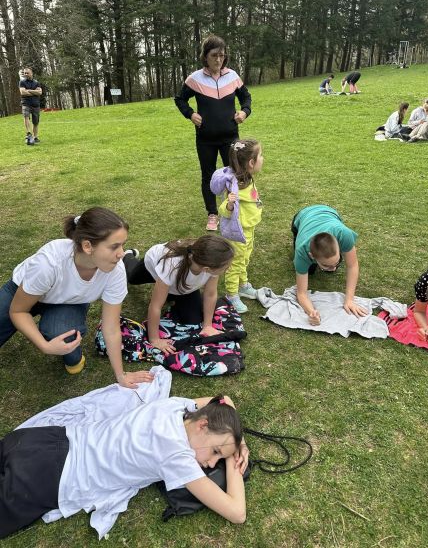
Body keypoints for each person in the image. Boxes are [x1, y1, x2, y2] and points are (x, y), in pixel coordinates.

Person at [0, 393, 248, 538]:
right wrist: (233, 459)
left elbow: (224, 400)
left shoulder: (174, 407)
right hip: (50, 477)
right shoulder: (177, 457)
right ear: (203, 425)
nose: (210, 463)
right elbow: (237, 513)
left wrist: (234, 443)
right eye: (216, 452)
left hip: (42, 439)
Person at [0, 207, 153, 388]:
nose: (121, 254)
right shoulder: (48, 264)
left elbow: (111, 328)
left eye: (122, 245)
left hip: (69, 301)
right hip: (23, 292)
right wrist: (45, 346)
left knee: (62, 335)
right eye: (114, 246)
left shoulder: (115, 270)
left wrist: (121, 375)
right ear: (87, 246)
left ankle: (73, 356)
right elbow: (18, 311)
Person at [175, 35, 252, 231]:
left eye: (222, 56)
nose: (218, 60)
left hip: (230, 137)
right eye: (214, 55)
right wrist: (190, 114)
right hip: (205, 139)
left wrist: (244, 111)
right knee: (208, 175)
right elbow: (180, 99)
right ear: (205, 56)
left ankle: (234, 207)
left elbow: (246, 97)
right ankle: (212, 214)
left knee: (235, 172)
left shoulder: (233, 76)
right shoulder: (195, 79)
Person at [123, 236, 234, 354]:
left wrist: (207, 325)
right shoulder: (171, 265)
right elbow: (155, 306)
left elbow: (210, 294)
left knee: (193, 320)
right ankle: (127, 256)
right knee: (132, 278)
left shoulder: (210, 264)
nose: (229, 268)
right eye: (226, 267)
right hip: (153, 269)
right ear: (207, 268)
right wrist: (154, 339)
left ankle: (171, 295)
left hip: (182, 286)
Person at [210, 139, 263, 314]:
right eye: (261, 155)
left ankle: (243, 285)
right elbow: (223, 210)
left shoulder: (246, 177)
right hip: (238, 232)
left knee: (244, 259)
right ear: (251, 163)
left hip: (249, 228)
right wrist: (230, 205)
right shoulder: (235, 186)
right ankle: (232, 294)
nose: (263, 159)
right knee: (235, 263)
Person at [291, 205, 368, 325]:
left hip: (328, 212)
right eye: (326, 265)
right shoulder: (302, 253)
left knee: (331, 263)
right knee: (310, 270)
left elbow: (352, 265)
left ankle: (330, 261)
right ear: (311, 256)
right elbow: (301, 293)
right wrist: (312, 312)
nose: (333, 268)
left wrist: (349, 300)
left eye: (336, 262)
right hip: (302, 216)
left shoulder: (344, 235)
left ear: (339, 246)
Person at [19, 66, 42, 145]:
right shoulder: (22, 82)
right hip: (26, 103)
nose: (26, 74)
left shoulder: (36, 82)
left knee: (35, 122)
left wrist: (28, 90)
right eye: (25, 73)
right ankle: (28, 133)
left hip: (35, 104)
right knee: (26, 116)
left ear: (31, 73)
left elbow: (40, 92)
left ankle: (35, 137)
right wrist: (34, 92)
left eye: (27, 73)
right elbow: (23, 92)